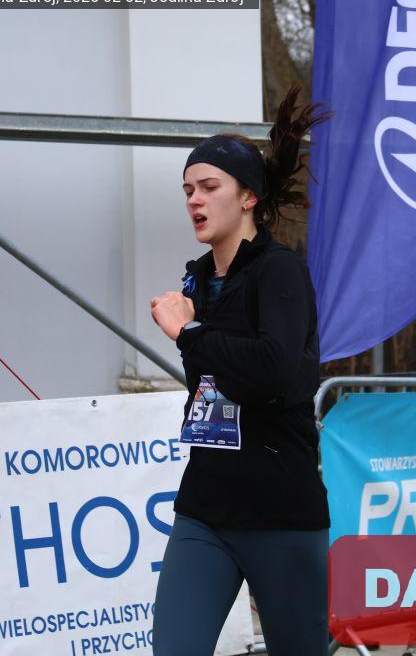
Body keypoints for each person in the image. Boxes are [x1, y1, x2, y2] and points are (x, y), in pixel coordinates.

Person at [149, 87, 331, 655]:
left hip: (280, 510)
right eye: (188, 190)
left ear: (248, 196)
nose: (194, 200)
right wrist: (199, 336)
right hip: (206, 508)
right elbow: (219, 380)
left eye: (209, 187)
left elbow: (274, 373)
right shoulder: (197, 281)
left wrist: (191, 334)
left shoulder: (279, 273)